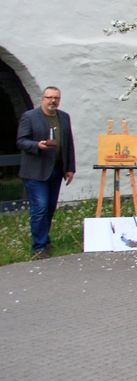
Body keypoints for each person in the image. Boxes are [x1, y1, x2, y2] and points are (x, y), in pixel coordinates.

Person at [16, 86, 76, 259]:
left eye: (56, 98)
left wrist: (70, 168)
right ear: (43, 99)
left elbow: (68, 143)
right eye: (49, 97)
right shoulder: (30, 117)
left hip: (56, 170)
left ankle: (44, 240)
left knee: (49, 208)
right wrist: (37, 145)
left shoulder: (63, 117)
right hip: (35, 171)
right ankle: (39, 247)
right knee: (40, 208)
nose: (52, 101)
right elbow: (21, 141)